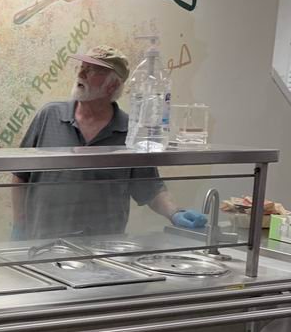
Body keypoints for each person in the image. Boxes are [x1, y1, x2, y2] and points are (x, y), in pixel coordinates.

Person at [11, 45, 207, 239]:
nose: (81, 73)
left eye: (92, 70)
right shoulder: (50, 115)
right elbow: (21, 175)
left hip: (103, 247)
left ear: (112, 86)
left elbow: (150, 188)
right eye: (82, 67)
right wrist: (19, 225)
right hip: (44, 244)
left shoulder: (130, 131)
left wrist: (175, 213)